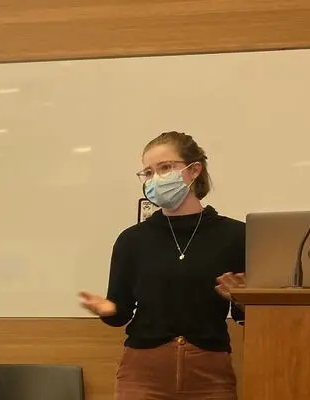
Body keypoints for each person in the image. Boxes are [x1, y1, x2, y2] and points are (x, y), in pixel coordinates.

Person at [78, 131, 248, 400]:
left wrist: (241, 299)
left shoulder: (236, 236)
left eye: (166, 167)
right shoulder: (132, 240)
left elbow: (248, 316)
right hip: (142, 375)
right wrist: (107, 308)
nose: (155, 178)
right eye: (148, 172)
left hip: (210, 374)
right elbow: (120, 312)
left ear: (194, 171)